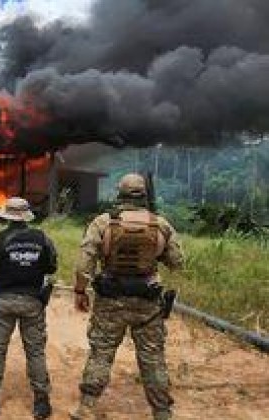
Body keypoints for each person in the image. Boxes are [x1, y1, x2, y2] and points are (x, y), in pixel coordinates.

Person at [70, 173, 184, 420]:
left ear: (118, 193)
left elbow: (83, 265)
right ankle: (162, 412)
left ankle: (86, 407)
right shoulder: (160, 224)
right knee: (152, 358)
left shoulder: (102, 223)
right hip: (148, 304)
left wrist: (80, 291)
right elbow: (177, 262)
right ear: (144, 195)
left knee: (101, 353)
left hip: (110, 302)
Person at [0, 197, 58, 418]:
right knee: (35, 351)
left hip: (3, 301)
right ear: (26, 216)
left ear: (7, 216)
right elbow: (51, 266)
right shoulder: (43, 238)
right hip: (33, 302)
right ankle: (41, 402)